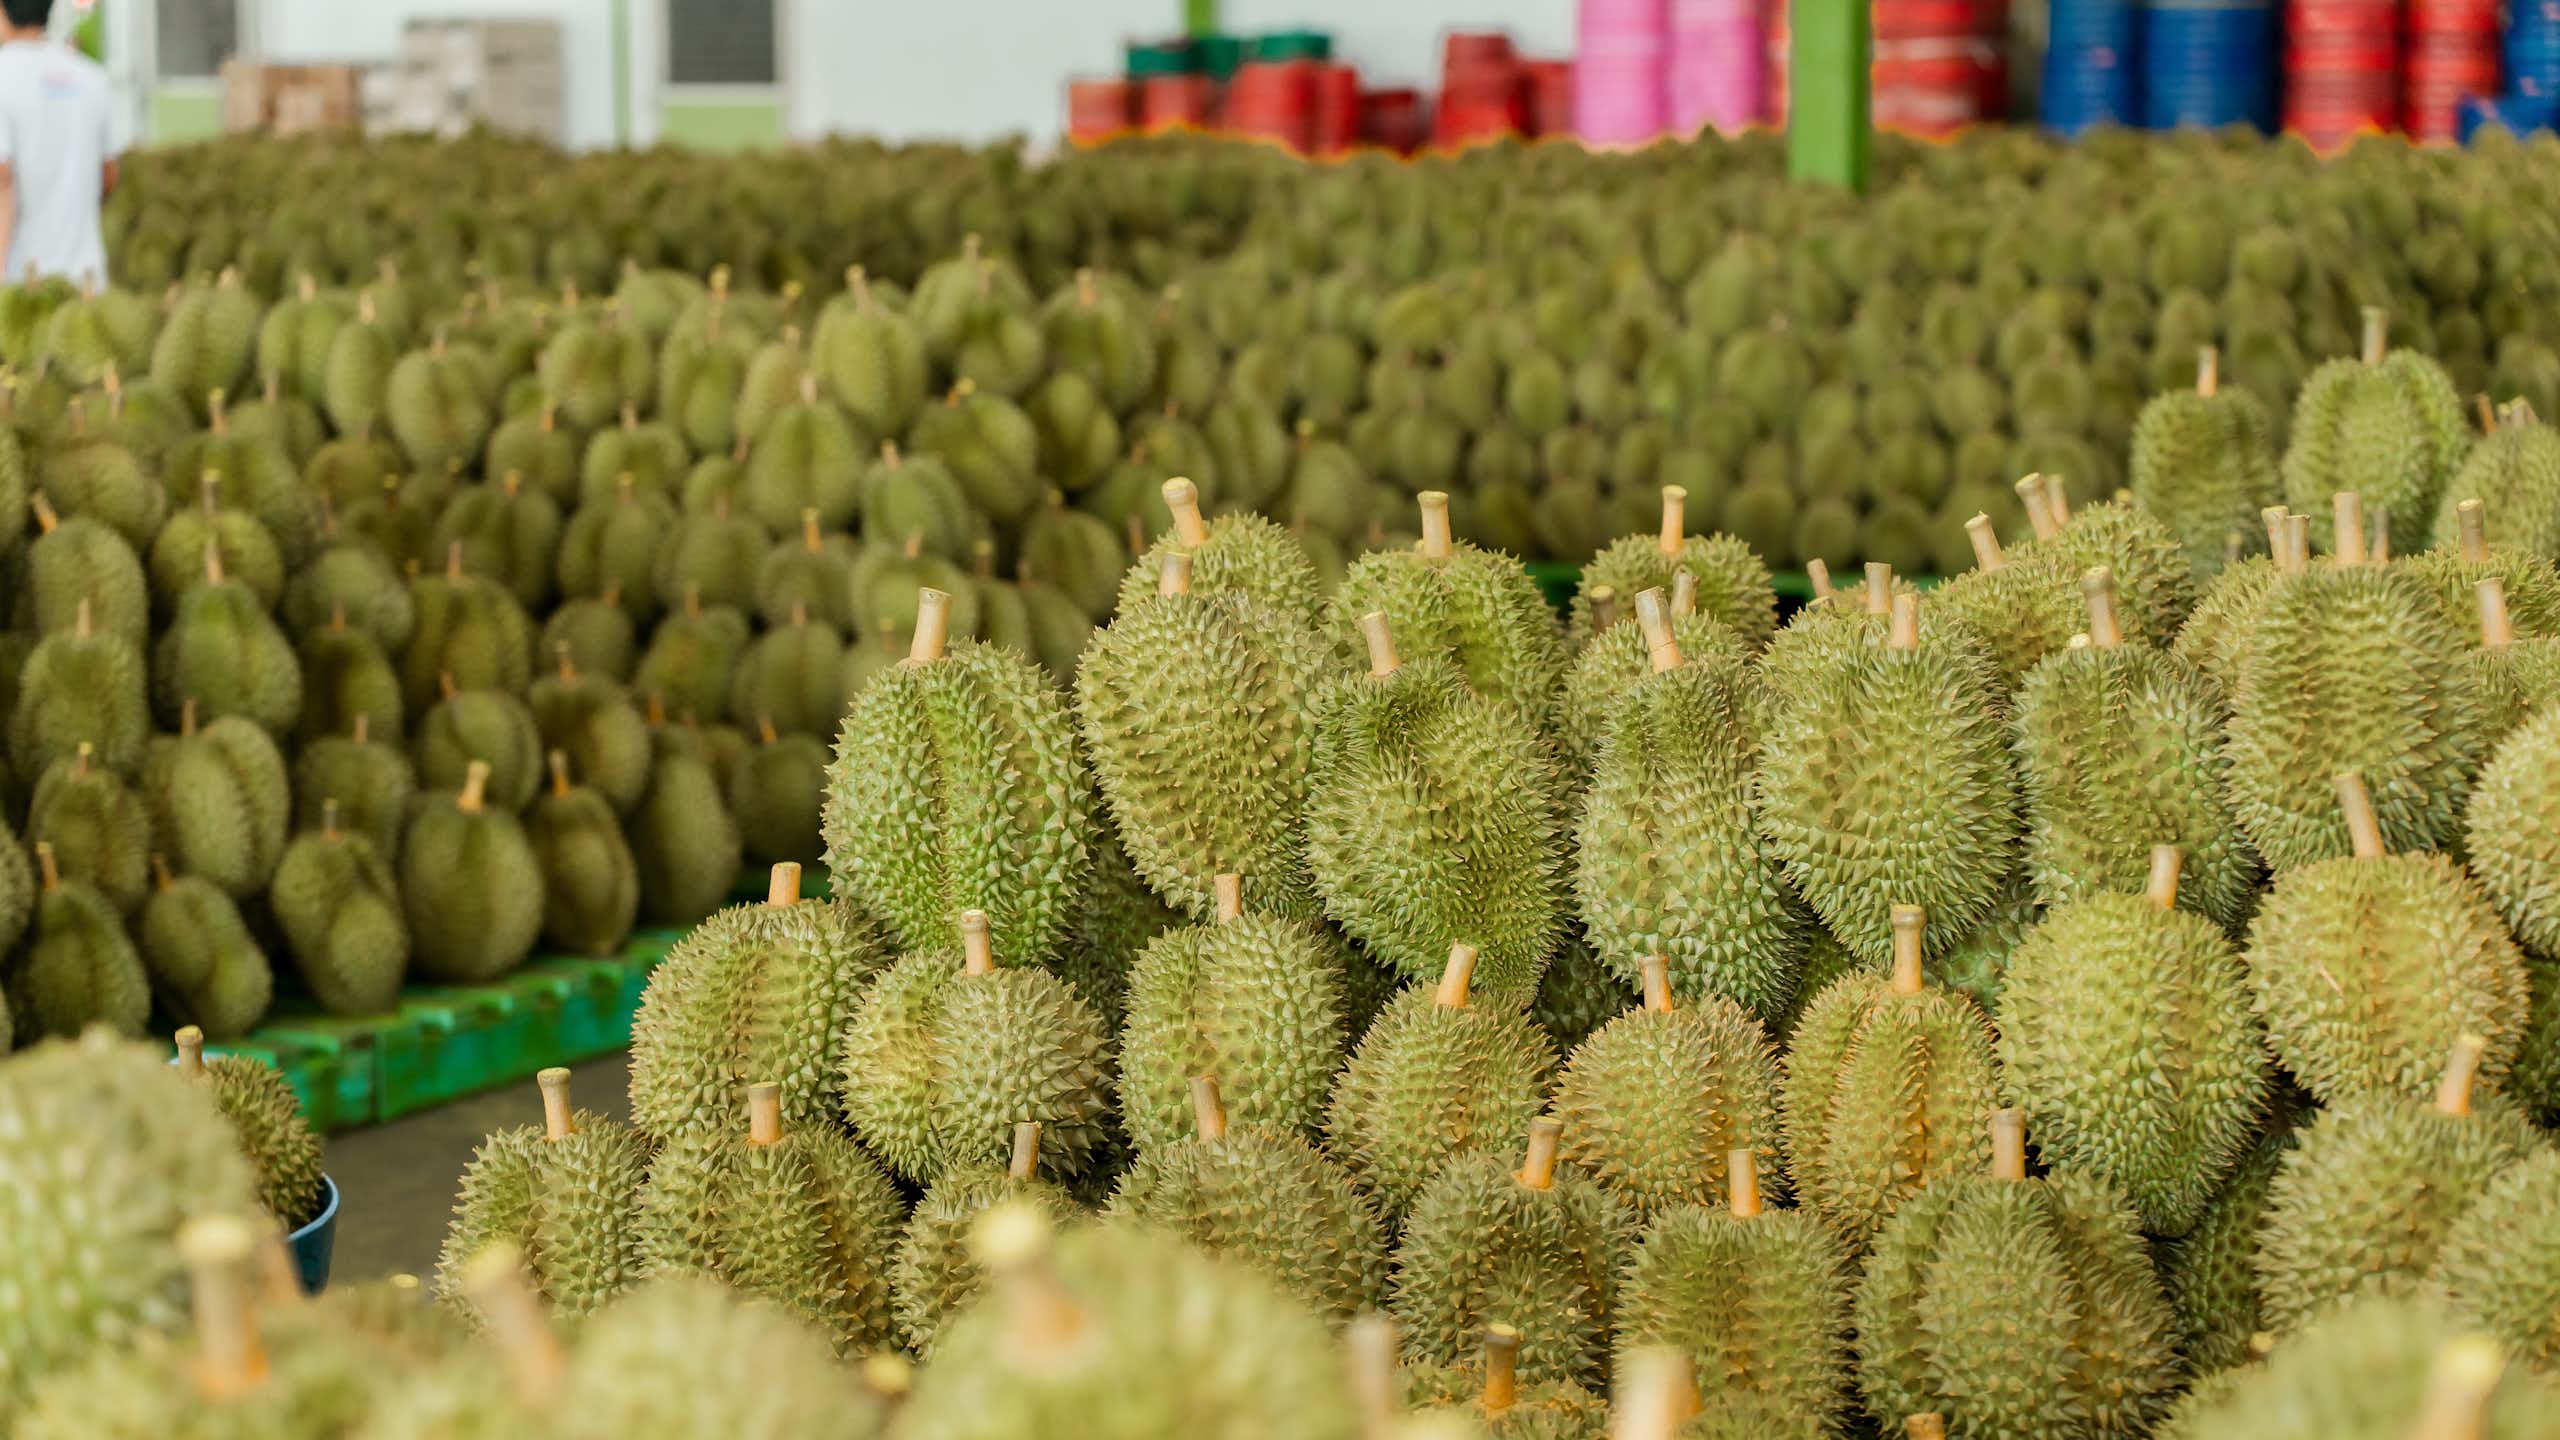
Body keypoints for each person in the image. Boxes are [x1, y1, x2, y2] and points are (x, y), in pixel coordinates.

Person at [0, 0, 116, 285]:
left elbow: (3, 180)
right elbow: (109, 175)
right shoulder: (92, 77)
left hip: (23, 283)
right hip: (86, 278)